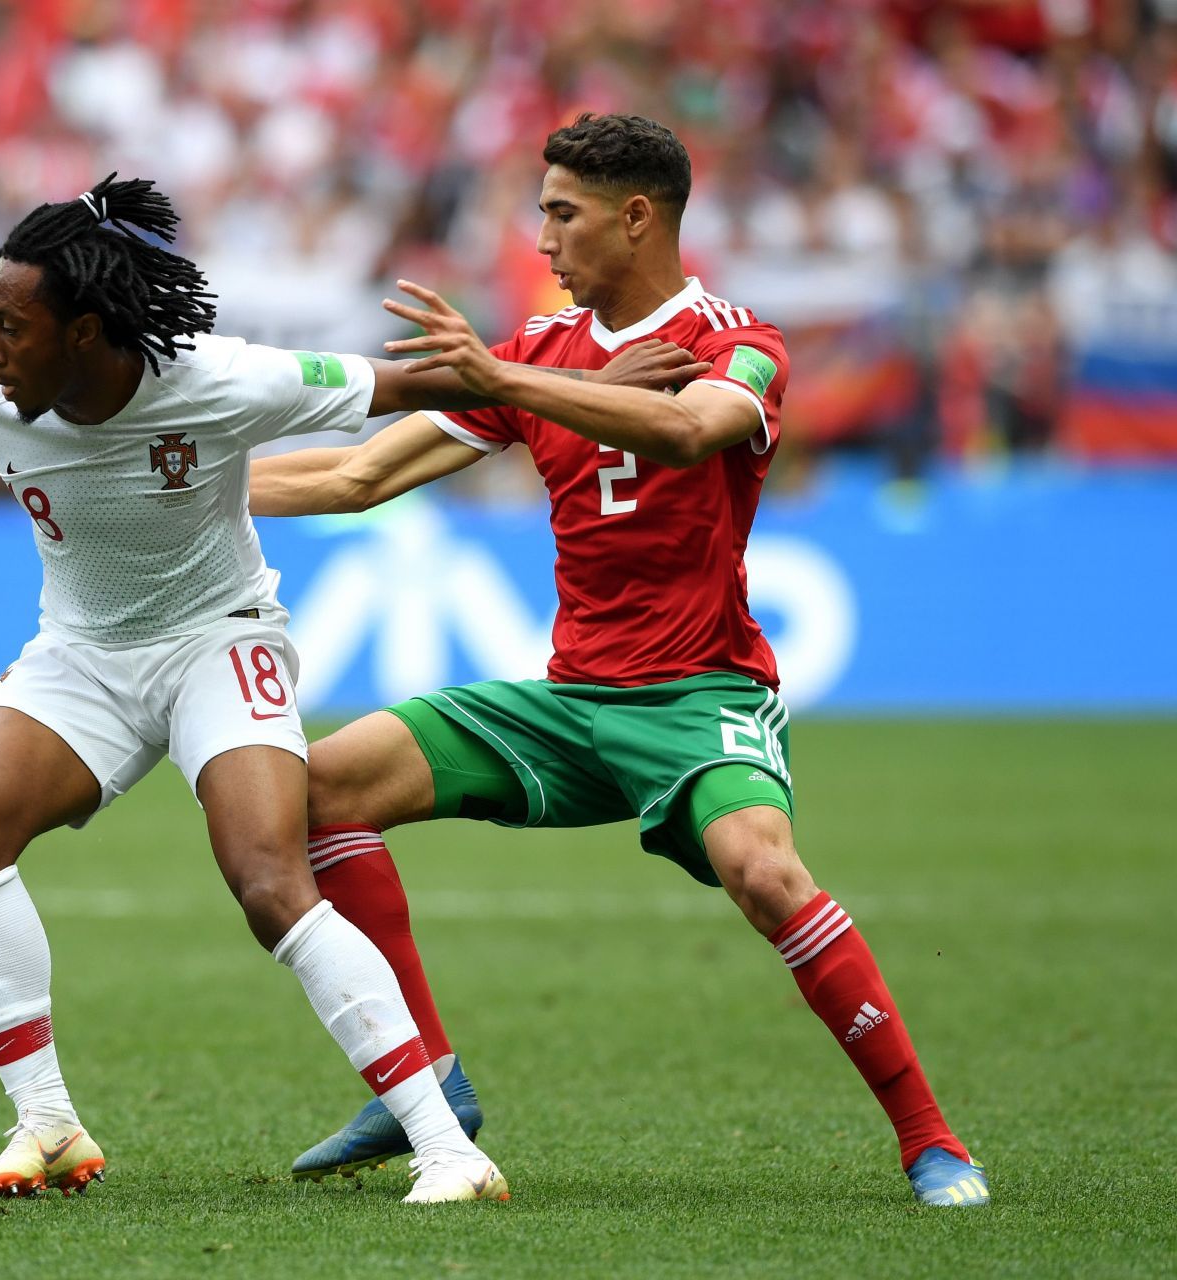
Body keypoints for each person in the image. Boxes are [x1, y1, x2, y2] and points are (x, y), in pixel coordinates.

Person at [0, 174, 698, 1203]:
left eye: (12, 325)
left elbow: (415, 383)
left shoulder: (224, 378)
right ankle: (48, 1123)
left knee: (270, 879)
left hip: (219, 643)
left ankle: (449, 1148)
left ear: (87, 330)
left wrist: (590, 381)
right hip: (81, 657)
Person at [250, 115, 991, 1208]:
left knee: (765, 869)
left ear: (635, 216)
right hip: (567, 699)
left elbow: (691, 431)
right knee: (317, 790)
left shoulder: (741, 339)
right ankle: (433, 1084)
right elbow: (353, 479)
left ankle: (932, 1140)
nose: (541, 240)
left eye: (562, 213)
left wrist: (504, 377)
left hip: (699, 692)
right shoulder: (539, 354)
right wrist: (154, 479)